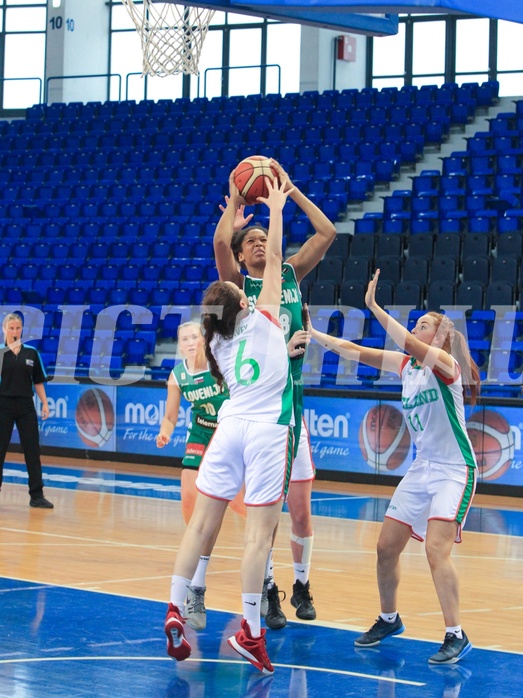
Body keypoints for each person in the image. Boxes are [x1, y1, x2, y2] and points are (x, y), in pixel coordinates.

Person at [309, 270, 480, 665]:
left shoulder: (446, 364)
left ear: (440, 336)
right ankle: (389, 618)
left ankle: (456, 633)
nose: (415, 327)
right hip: (423, 469)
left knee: (436, 550)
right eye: (416, 322)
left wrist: (372, 306)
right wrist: (315, 335)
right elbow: (356, 352)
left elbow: (404, 340)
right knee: (386, 547)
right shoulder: (407, 367)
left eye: (424, 324)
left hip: (455, 469)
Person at [164, 176, 294, 675]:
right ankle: (251, 633)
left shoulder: (214, 345)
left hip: (228, 427)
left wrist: (236, 206)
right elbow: (278, 256)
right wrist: (276, 208)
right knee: (258, 539)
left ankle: (176, 606)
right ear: (242, 302)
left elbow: (223, 259)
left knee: (200, 524)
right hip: (267, 431)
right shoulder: (265, 317)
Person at [214, 159, 336, 629]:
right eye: (253, 242)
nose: (260, 243)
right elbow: (221, 242)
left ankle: (302, 582)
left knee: (301, 513)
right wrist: (237, 201)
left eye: (266, 238)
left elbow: (325, 234)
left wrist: (290, 192)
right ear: (243, 258)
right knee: (263, 511)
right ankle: (267, 590)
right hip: (259, 408)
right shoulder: (238, 288)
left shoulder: (288, 275)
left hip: (294, 405)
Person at [156, 321, 246, 630]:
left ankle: (265, 578)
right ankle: (196, 585)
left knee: (243, 506)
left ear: (203, 339)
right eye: (185, 338)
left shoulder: (220, 360)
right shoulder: (177, 375)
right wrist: (164, 433)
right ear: (179, 345)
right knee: (190, 503)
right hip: (200, 434)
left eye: (195, 336)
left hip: (229, 433)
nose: (191, 341)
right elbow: (170, 416)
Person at [0, 313, 54, 509]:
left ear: (22, 330)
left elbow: (37, 381)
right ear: (4, 329)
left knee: (32, 450)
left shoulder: (31, 353)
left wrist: (45, 403)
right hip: (3, 405)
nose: (15, 331)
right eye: (11, 328)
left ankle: (37, 495)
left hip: (25, 406)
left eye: (18, 328)